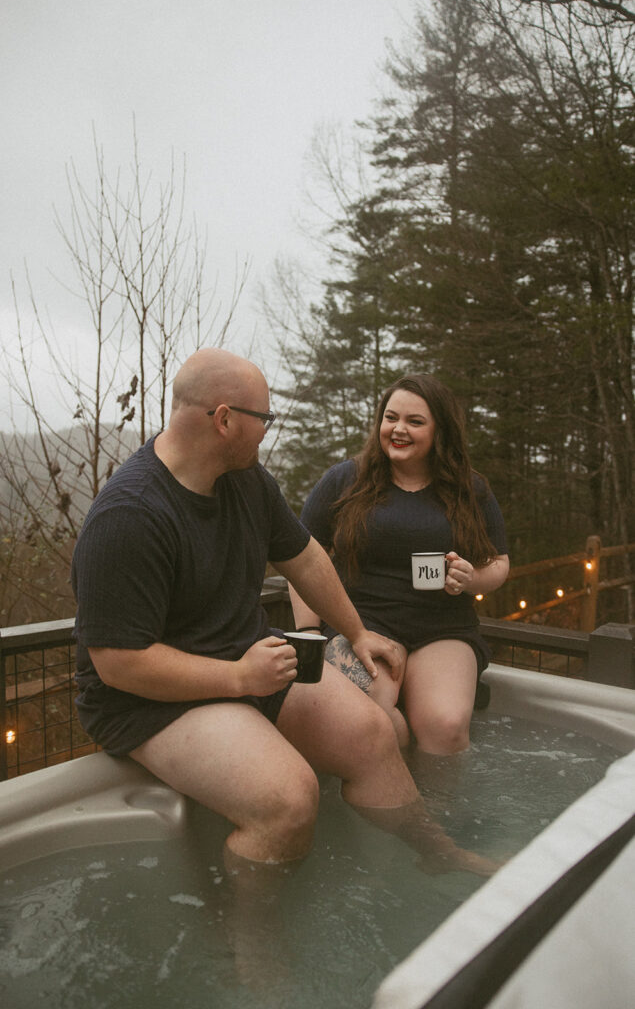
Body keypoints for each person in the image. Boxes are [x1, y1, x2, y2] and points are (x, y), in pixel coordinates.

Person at [71, 350, 494, 879]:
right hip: (149, 701)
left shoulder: (246, 481)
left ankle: (437, 855)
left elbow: (307, 557)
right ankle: (255, 958)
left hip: (244, 660)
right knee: (290, 801)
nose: (267, 432)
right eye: (262, 419)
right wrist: (236, 677)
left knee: (372, 732)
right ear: (224, 419)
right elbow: (119, 664)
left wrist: (357, 633)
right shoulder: (129, 516)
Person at [289, 374, 510, 756]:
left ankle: (439, 811)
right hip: (362, 623)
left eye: (415, 421)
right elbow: (301, 555)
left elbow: (500, 563)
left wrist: (472, 578)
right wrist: (310, 632)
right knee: (361, 716)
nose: (398, 429)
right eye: (390, 418)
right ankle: (396, 783)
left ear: (440, 430)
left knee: (446, 728)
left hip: (443, 628)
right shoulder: (345, 479)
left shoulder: (469, 490)